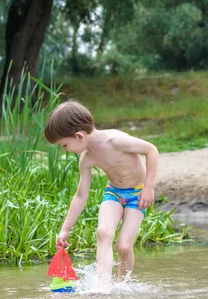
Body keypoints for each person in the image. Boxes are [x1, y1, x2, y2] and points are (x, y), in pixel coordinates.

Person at [44, 100, 158, 284]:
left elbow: (151, 150)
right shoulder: (87, 158)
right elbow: (81, 195)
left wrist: (149, 188)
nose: (64, 150)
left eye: (64, 145)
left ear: (79, 136)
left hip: (137, 195)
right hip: (113, 192)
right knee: (103, 232)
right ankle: (103, 285)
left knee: (123, 246)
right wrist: (65, 229)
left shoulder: (116, 140)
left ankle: (122, 285)